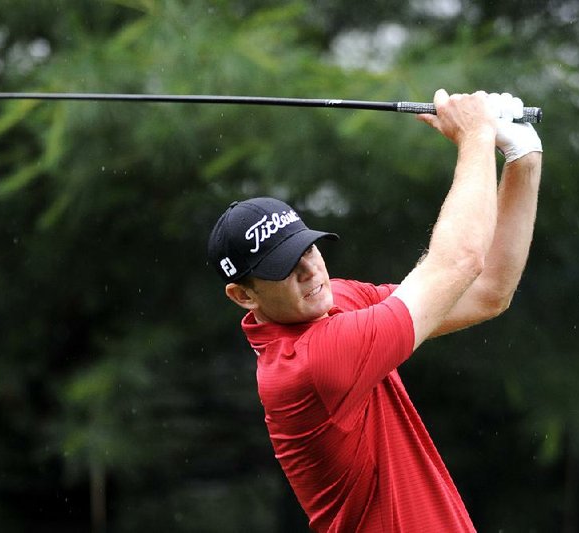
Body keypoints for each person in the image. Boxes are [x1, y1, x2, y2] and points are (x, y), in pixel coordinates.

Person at [207, 89, 543, 532]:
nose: (309, 270)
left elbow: (486, 291)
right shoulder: (311, 363)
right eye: (282, 266)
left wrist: (523, 156)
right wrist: (476, 136)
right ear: (243, 296)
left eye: (307, 249)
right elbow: (457, 263)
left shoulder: (334, 305)